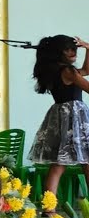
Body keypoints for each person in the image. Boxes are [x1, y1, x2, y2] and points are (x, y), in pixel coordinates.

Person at [29, 34, 89, 195]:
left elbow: (85, 70)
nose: (72, 52)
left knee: (58, 164)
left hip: (59, 115)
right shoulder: (68, 71)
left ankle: (49, 209)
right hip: (75, 115)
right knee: (86, 161)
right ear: (58, 52)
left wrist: (88, 49)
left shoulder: (54, 70)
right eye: (67, 49)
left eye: (73, 48)